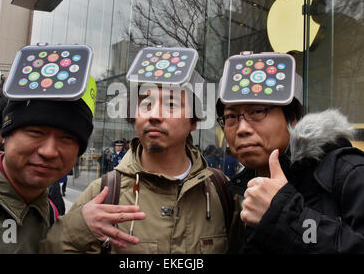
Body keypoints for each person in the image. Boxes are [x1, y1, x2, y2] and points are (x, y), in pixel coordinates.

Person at [40, 47, 230, 254]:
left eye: (171, 103)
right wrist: (78, 228)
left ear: (194, 121)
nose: (154, 115)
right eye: (146, 104)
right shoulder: (104, 192)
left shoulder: (221, 192)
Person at [216, 51, 364, 253]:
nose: (241, 129)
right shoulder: (234, 191)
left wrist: (285, 216)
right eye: (231, 116)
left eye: (257, 112)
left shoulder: (348, 173)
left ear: (293, 118)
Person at [0, 95, 95, 253]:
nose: (49, 151)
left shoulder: (51, 212)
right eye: (36, 132)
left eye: (66, 138)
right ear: (5, 136)